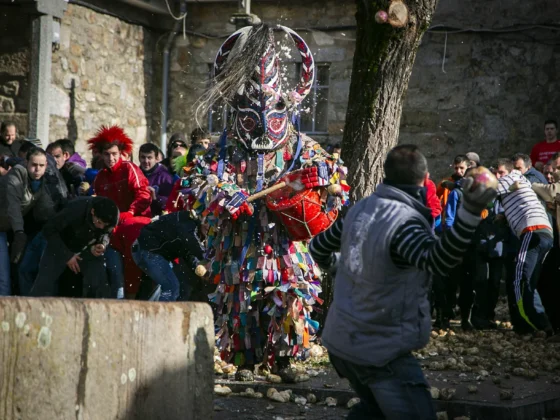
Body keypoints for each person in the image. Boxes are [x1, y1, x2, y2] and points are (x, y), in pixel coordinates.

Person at [320, 145, 496, 419]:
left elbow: (319, 247)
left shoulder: (358, 209)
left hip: (341, 342)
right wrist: (471, 211)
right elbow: (439, 260)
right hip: (379, 350)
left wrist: (342, 270)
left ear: (386, 174)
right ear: (424, 178)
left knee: (376, 412)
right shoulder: (404, 222)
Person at [88, 125, 152, 298]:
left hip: (135, 229)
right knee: (115, 274)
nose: (111, 158)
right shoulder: (100, 178)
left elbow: (144, 194)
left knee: (136, 274)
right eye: (107, 154)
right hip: (113, 233)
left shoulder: (129, 168)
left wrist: (131, 212)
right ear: (101, 155)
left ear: (121, 153)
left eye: (114, 154)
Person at [494, 158, 554, 336]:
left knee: (518, 280)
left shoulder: (510, 178)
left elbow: (487, 192)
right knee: (529, 281)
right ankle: (543, 324)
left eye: (500, 172)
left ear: (510, 171)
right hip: (544, 233)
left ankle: (532, 324)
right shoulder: (520, 181)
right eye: (496, 173)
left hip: (531, 230)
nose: (498, 176)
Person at [29, 197, 119, 298]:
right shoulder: (76, 208)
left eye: (105, 224)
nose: (101, 227)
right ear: (93, 211)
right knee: (43, 284)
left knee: (99, 282)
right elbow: (49, 230)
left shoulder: (112, 217)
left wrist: (102, 243)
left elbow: (107, 232)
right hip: (60, 244)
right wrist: (66, 255)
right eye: (98, 222)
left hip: (88, 248)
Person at [0, 148, 54, 295]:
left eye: (41, 166)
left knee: (7, 277)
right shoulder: (17, 175)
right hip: (7, 227)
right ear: (26, 162)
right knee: (3, 277)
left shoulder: (41, 183)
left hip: (7, 228)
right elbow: (13, 206)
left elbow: (47, 209)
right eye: (34, 164)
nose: (37, 169)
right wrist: (19, 232)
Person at [131, 211, 205, 302]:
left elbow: (188, 252)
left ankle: (151, 313)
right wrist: (206, 259)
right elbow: (189, 239)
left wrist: (197, 266)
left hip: (146, 250)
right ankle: (162, 315)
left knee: (161, 290)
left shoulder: (191, 226)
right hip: (148, 251)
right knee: (171, 287)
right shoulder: (188, 222)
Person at [138, 143, 174, 216]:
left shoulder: (165, 177)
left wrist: (155, 198)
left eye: (149, 157)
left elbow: (170, 203)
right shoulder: (135, 173)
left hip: (156, 218)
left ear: (156, 159)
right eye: (143, 157)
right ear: (139, 157)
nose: (146, 161)